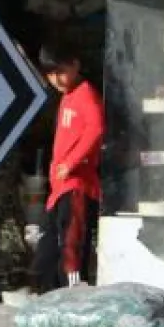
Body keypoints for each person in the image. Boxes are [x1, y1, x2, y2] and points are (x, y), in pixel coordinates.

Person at [34, 45, 104, 293]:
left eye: (61, 72)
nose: (56, 80)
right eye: (51, 75)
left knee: (71, 252)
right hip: (60, 189)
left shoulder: (86, 93)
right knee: (46, 257)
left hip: (76, 185)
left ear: (75, 65)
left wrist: (71, 163)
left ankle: (75, 300)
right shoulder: (67, 97)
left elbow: (95, 129)